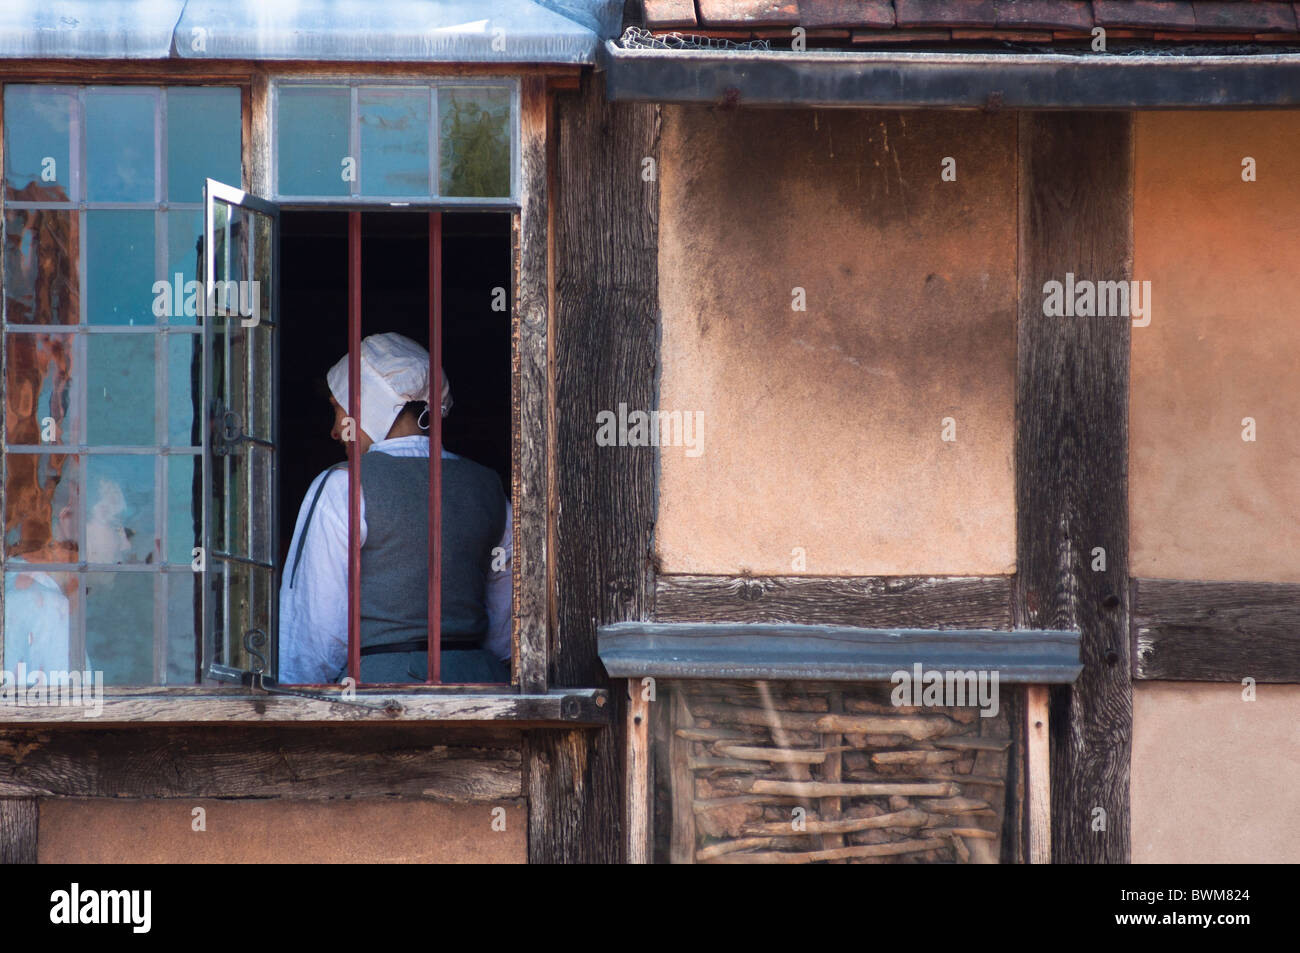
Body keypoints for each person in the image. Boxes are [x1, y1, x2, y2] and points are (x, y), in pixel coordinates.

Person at [278, 332, 511, 685]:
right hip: (483, 688)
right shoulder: (487, 487)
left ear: (366, 404)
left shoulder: (343, 485)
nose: (334, 431)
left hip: (379, 699)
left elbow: (314, 634)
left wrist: (295, 707)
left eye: (337, 409)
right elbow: (505, 625)